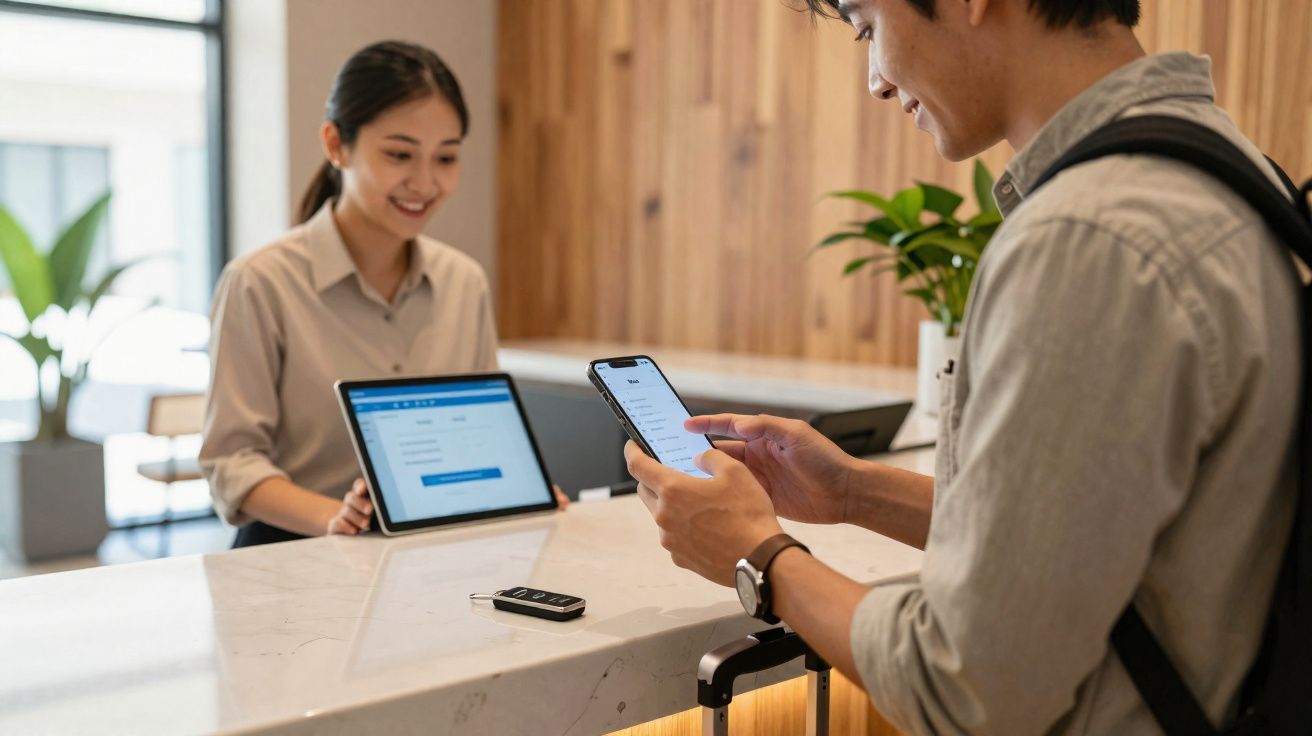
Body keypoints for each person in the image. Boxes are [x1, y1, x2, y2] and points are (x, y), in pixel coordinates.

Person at [623, 1, 1300, 733]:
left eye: (867, 27)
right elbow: (1107, 538)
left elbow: (966, 687)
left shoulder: (1087, 239)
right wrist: (855, 490)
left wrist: (758, 555)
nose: (877, 80)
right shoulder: (1231, 168)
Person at [201, 41, 564, 548]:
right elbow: (231, 463)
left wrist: (516, 490)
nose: (425, 182)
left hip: (435, 555)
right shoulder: (260, 282)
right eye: (399, 154)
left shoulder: (464, 282)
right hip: (294, 556)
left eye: (446, 157)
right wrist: (340, 518)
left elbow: (481, 432)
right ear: (336, 145)